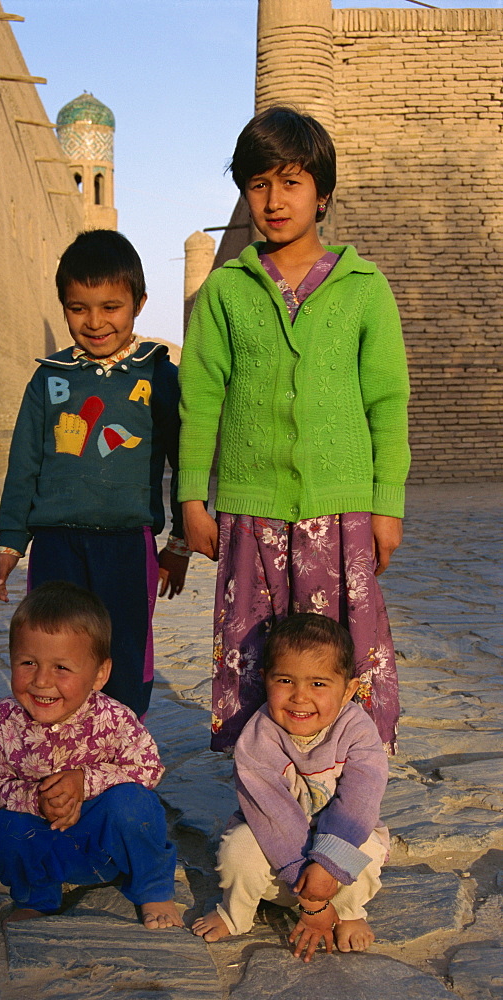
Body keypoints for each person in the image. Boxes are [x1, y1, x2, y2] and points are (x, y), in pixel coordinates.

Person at [178, 105, 410, 754]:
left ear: (322, 193)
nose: (273, 200)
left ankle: (347, 795)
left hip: (340, 519)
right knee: (256, 656)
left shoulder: (365, 289)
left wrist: (386, 507)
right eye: (257, 184)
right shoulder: (226, 292)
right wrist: (193, 498)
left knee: (346, 652)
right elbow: (202, 399)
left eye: (290, 181)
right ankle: (263, 798)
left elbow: (388, 404)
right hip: (252, 516)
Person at [0, 229, 189, 719]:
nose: (95, 323)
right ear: (63, 307)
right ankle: (59, 754)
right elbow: (25, 462)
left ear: (139, 303)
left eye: (110, 307)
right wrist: (11, 541)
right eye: (79, 308)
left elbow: (186, 459)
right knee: (55, 653)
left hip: (127, 543)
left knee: (124, 651)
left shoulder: (158, 375)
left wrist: (180, 542)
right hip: (57, 543)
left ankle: (119, 755)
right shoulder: (49, 378)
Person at [0, 580, 184, 930]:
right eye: (27, 662)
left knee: (135, 804)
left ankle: (152, 889)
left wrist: (85, 782)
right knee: (5, 829)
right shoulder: (1, 720)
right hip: (45, 840)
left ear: (99, 674)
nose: (42, 681)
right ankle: (36, 896)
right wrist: (34, 800)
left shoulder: (114, 718)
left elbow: (148, 767)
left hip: (107, 843)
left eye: (61, 668)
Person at [192, 614, 389, 962]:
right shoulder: (257, 738)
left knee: (369, 848)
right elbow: (271, 814)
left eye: (318, 684)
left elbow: (360, 798)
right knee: (239, 848)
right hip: (282, 859)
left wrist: (328, 867)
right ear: (266, 680)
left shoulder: (358, 730)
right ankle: (235, 914)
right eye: (285, 680)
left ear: (348, 691)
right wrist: (311, 901)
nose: (300, 697)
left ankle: (348, 911)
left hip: (336, 865)